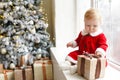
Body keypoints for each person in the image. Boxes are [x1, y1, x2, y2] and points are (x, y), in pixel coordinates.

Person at [60, 8, 108, 74]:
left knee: (93, 64)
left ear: (100, 24)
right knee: (72, 55)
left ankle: (77, 68)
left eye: (95, 26)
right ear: (84, 22)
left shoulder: (100, 35)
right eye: (88, 25)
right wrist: (73, 43)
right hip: (82, 53)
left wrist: (100, 51)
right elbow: (78, 40)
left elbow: (104, 45)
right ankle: (68, 63)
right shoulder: (83, 33)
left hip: (93, 56)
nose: (91, 28)